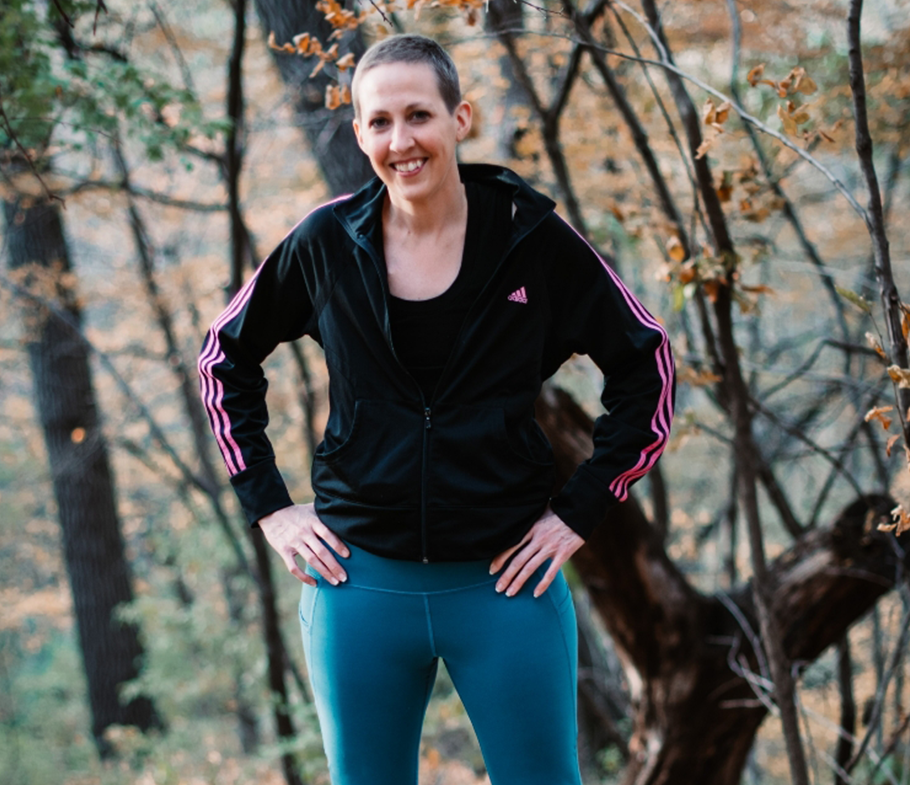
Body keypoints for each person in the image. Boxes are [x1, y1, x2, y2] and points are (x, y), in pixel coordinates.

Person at [199, 33, 673, 785]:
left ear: (461, 118)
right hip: (358, 591)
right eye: (379, 122)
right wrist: (270, 507)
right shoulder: (327, 242)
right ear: (358, 134)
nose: (400, 140)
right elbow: (223, 355)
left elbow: (646, 360)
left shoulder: (531, 240)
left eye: (418, 114)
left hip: (506, 586)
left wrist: (581, 508)